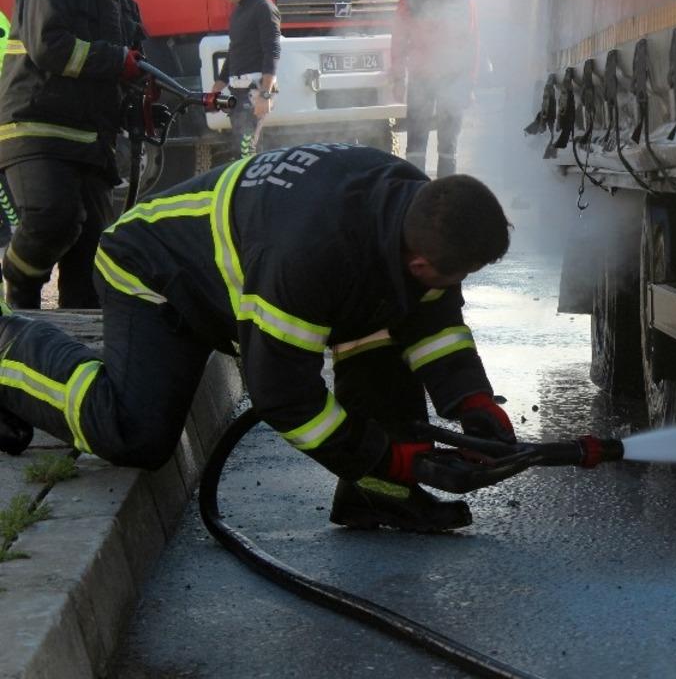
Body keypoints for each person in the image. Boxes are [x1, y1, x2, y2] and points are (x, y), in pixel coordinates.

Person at [0, 144, 517, 531]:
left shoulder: (412, 209)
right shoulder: (309, 254)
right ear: (422, 261)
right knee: (133, 433)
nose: (459, 285)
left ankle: (379, 496)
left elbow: (432, 321)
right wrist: (385, 454)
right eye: (459, 274)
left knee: (379, 328)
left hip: (237, 276)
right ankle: (8, 351)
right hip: (155, 275)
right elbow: (285, 396)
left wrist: (472, 400)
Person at [0, 0, 149, 309]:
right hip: (36, 131)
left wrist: (146, 100)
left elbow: (135, 68)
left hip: (93, 142)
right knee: (53, 220)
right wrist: (115, 59)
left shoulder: (125, 7)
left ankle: (77, 346)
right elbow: (51, 47)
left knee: (91, 254)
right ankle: (18, 296)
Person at [390, 0, 479, 177]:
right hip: (422, 77)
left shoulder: (463, 1)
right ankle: (415, 191)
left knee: (449, 142)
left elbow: (471, 44)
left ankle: (446, 193)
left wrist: (468, 84)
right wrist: (398, 78)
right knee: (417, 139)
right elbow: (398, 40)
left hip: (454, 79)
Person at [209, 0, 281, 161]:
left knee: (246, 149)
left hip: (255, 89)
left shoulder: (263, 7)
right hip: (237, 91)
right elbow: (234, 51)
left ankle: (256, 187)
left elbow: (272, 51)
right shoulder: (238, 12)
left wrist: (265, 94)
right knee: (240, 148)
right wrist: (218, 85)